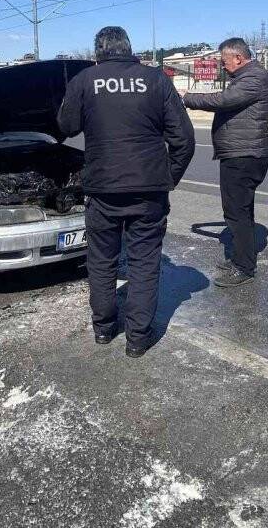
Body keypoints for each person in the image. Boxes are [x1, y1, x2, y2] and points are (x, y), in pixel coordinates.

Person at [58, 26, 195, 358]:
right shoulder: (156, 80)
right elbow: (184, 141)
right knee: (145, 264)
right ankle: (137, 339)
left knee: (102, 261)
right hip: (149, 191)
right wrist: (168, 178)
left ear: (98, 52)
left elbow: (65, 126)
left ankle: (104, 330)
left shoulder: (85, 81)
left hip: (103, 190)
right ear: (129, 48)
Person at [182, 38, 268, 287]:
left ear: (238, 58)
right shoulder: (247, 77)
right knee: (242, 210)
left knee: (236, 213)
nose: (222, 66)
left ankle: (244, 267)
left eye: (224, 62)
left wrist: (187, 98)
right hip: (240, 153)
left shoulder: (254, 78)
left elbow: (221, 100)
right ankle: (240, 257)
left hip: (243, 156)